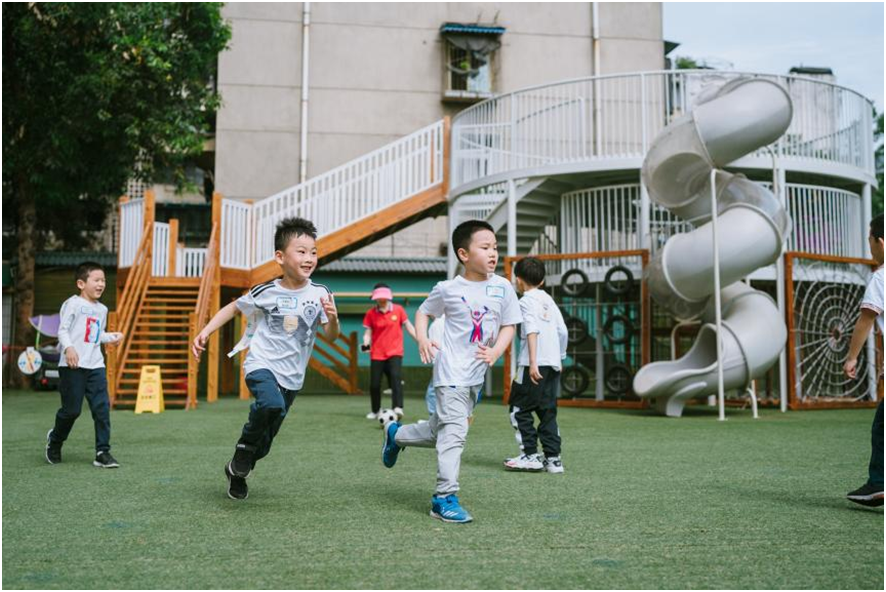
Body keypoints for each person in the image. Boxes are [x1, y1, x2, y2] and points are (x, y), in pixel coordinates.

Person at [380, 219, 522, 523]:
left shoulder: (503, 287)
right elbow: (423, 312)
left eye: (495, 247)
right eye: (485, 247)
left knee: (439, 431)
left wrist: (496, 351)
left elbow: (510, 325)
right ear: (464, 254)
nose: (493, 253)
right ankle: (443, 498)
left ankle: (396, 434)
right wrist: (423, 338)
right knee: (454, 436)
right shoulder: (448, 289)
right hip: (450, 375)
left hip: (475, 377)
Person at [193, 217, 339, 500]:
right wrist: (206, 331)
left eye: (313, 252)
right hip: (261, 364)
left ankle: (237, 470)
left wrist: (333, 319)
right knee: (270, 403)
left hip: (292, 377)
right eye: (301, 251)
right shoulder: (266, 291)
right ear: (280, 257)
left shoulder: (321, 293)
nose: (309, 258)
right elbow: (233, 308)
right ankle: (243, 448)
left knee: (266, 443)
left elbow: (331, 336)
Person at [45, 262, 124, 468]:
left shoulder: (102, 309)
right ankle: (55, 440)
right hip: (72, 366)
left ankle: (102, 452)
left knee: (102, 408)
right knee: (72, 411)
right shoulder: (72, 304)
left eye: (103, 280)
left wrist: (111, 337)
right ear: (81, 283)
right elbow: (63, 330)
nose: (101, 284)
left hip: (95, 365)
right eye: (96, 280)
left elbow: (95, 335)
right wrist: (69, 348)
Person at [504, 257, 568, 474]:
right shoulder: (549, 300)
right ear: (542, 281)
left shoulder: (524, 302)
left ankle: (530, 455)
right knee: (547, 411)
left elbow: (531, 330)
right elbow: (562, 331)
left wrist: (532, 363)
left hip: (532, 364)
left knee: (518, 409)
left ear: (518, 280)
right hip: (552, 364)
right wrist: (560, 357)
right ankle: (554, 460)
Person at [843, 213, 884, 507]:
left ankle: (879, 483)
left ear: (880, 242)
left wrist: (851, 357)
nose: (869, 248)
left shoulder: (880, 278)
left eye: (869, 241)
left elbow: (866, 319)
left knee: (882, 428)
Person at [362, 283, 416, 419]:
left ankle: (398, 407)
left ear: (388, 297)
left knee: (395, 378)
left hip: (395, 352)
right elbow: (367, 333)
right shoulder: (370, 313)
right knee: (374, 384)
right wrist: (366, 344)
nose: (381, 300)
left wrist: (420, 339)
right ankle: (376, 410)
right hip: (377, 354)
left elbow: (408, 326)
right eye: (378, 298)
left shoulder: (399, 310)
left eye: (384, 297)